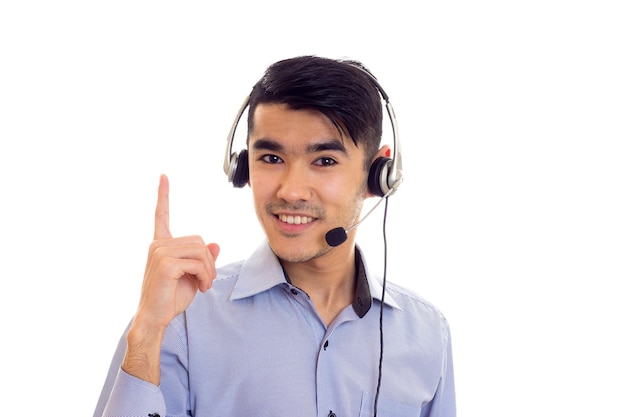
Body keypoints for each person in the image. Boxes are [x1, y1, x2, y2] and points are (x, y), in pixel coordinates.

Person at [93, 55, 456, 417]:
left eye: (325, 161)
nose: (291, 191)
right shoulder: (182, 317)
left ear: (378, 173)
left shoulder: (426, 334)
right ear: (242, 166)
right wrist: (146, 333)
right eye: (270, 158)